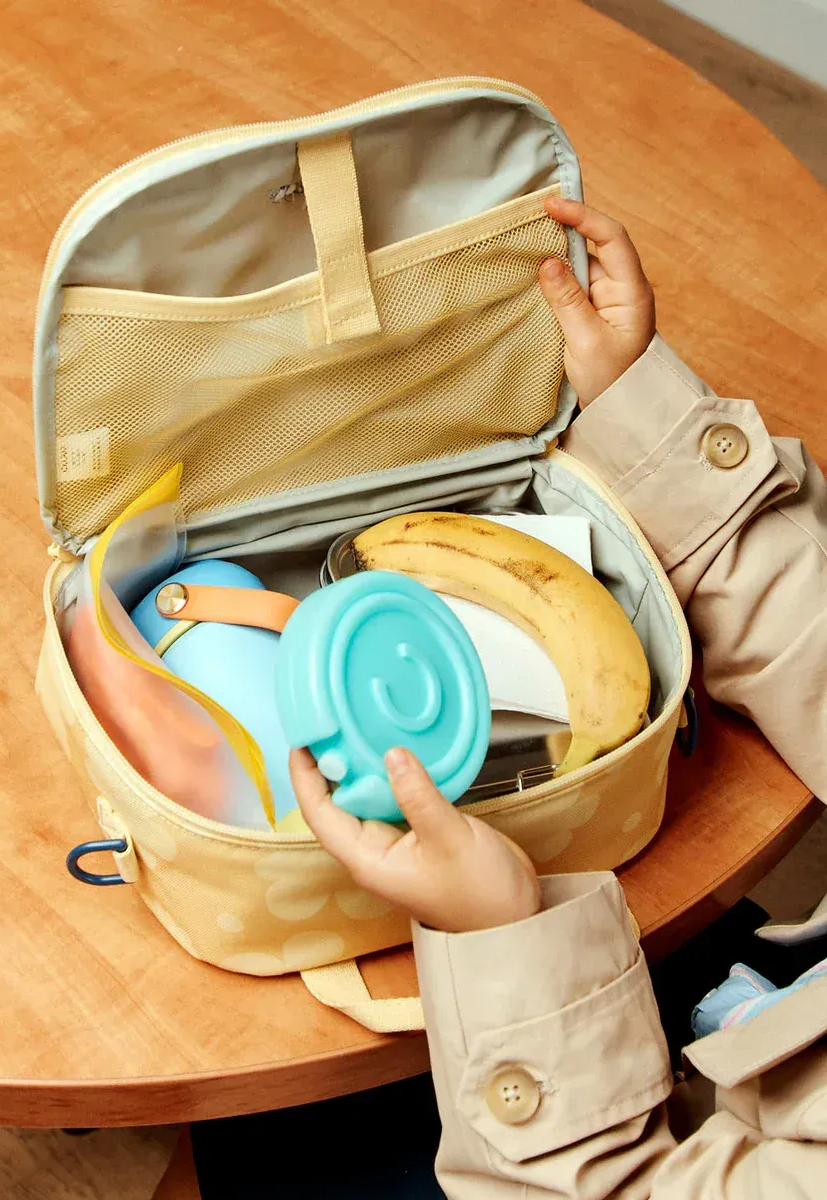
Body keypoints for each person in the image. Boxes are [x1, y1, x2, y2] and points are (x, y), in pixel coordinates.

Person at [179, 197, 827, 1199]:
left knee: (268, 1124)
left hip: (595, 1148)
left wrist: (503, 935)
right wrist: (638, 409)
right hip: (774, 1028)